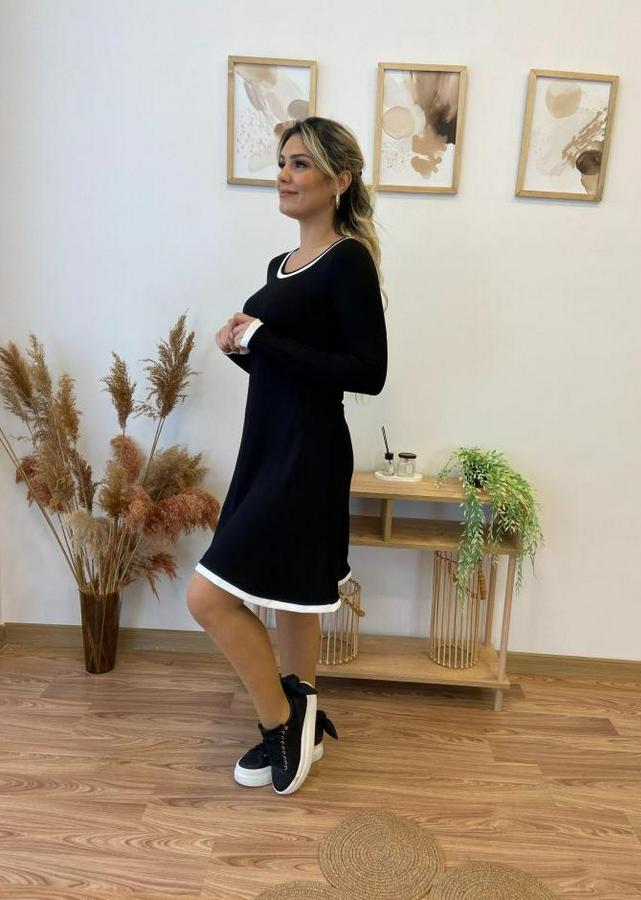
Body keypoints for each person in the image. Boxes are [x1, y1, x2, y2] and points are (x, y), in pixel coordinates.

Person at [186, 116, 388, 796]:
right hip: (268, 443)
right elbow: (291, 370)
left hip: (309, 450)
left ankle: (281, 723)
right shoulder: (280, 266)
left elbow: (367, 372)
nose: (284, 174)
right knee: (295, 594)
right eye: (282, 162)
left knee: (206, 597)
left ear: (340, 179)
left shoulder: (348, 259)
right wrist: (245, 351)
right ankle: (305, 724)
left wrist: (265, 339)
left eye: (301, 164)